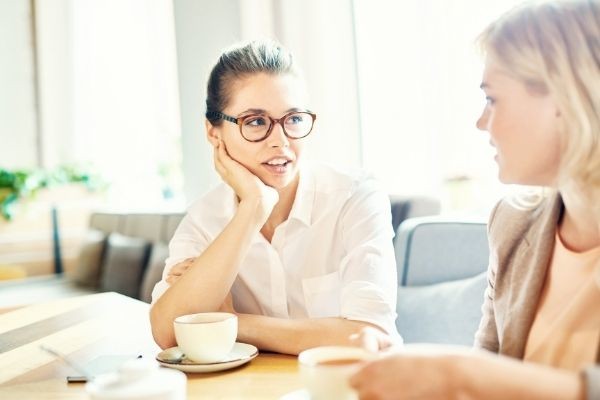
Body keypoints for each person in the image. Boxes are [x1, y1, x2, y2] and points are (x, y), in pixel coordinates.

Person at [349, 0, 600, 399]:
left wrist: (457, 373)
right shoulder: (514, 222)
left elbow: (477, 375)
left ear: (563, 100)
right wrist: (409, 368)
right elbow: (486, 375)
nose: (481, 122)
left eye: (492, 99)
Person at [149, 40, 399, 355]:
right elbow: (167, 333)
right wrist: (253, 208)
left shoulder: (355, 196)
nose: (280, 142)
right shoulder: (204, 218)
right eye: (255, 122)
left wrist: (232, 322)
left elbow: (369, 335)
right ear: (214, 133)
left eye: (293, 119)